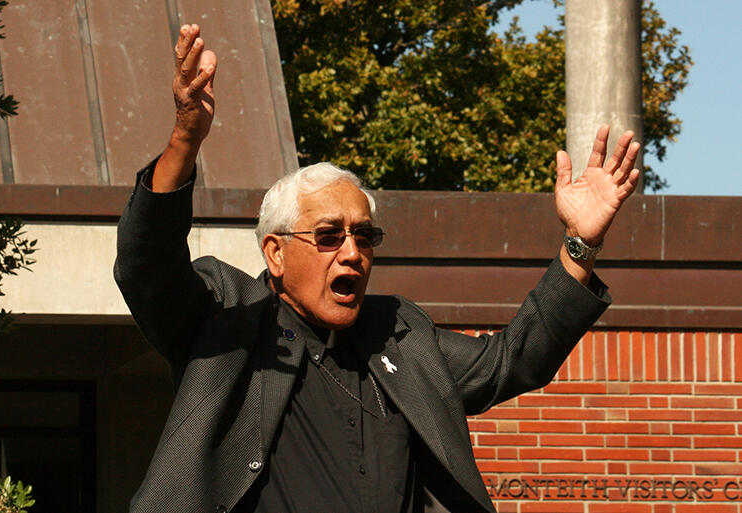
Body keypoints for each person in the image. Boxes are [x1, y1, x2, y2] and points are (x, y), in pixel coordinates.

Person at [115, 24, 641, 513]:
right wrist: (185, 138)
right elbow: (148, 267)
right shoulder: (225, 317)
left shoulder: (400, 335)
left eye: (364, 236)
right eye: (328, 236)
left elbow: (512, 361)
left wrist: (581, 243)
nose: (352, 253)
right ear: (274, 253)